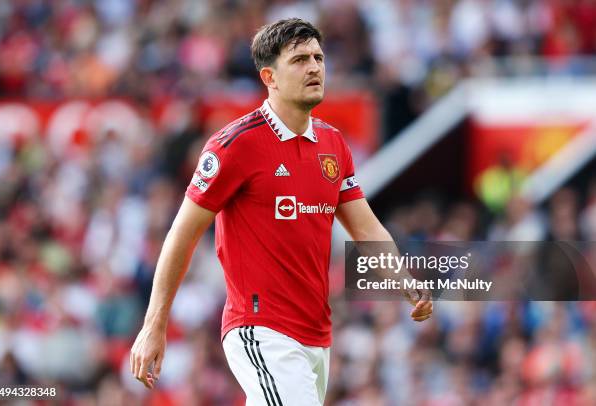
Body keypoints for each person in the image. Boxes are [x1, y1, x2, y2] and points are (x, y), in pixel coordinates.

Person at [130, 18, 433, 405]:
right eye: (300, 60)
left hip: (317, 336)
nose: (314, 68)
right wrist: (154, 325)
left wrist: (402, 279)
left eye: (319, 58)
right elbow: (182, 234)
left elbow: (365, 228)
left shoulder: (333, 144)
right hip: (260, 330)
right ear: (269, 76)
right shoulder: (234, 145)